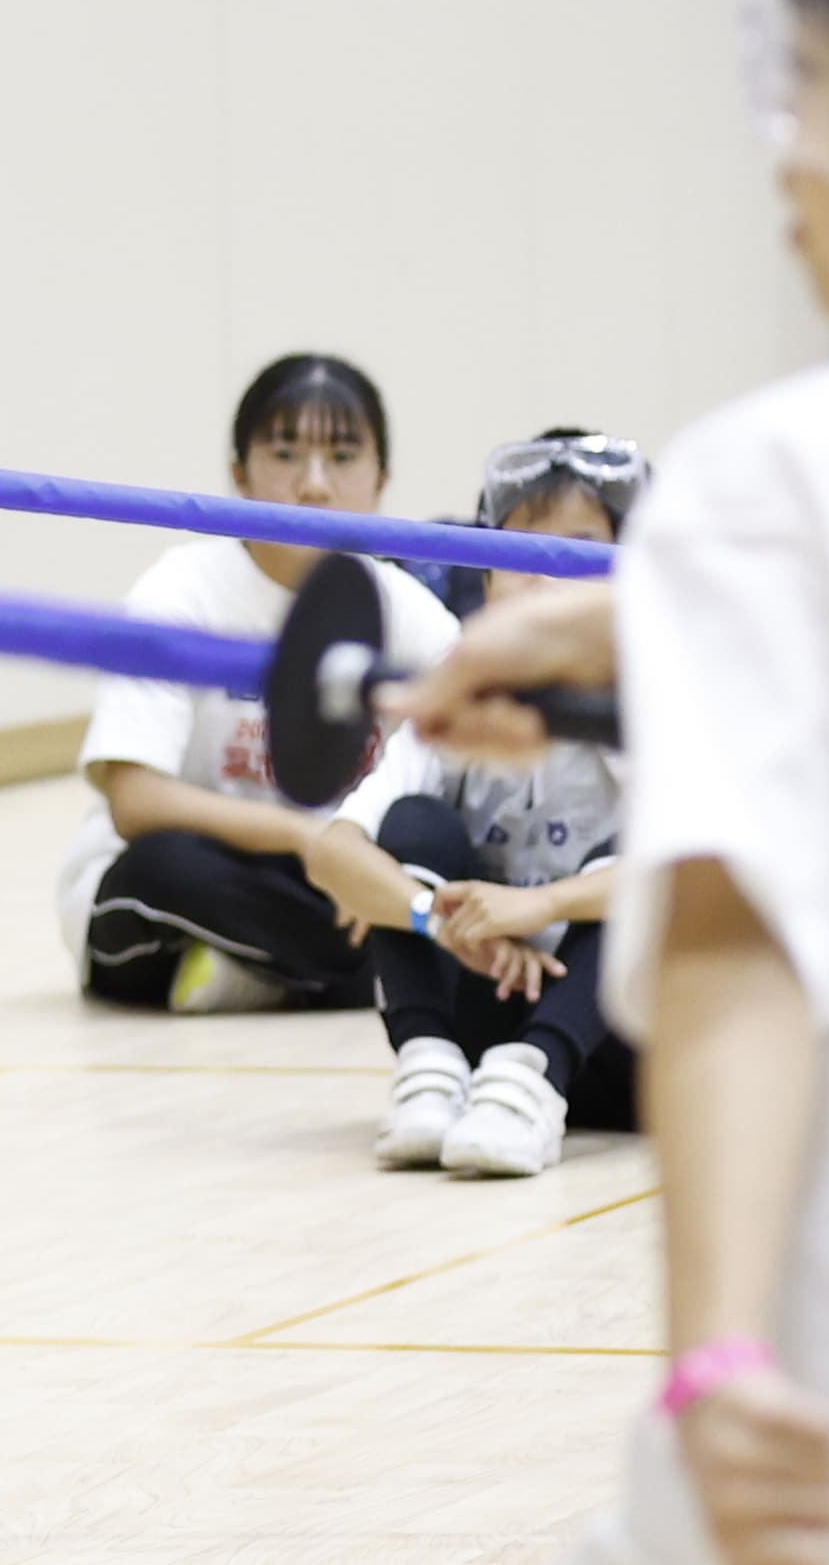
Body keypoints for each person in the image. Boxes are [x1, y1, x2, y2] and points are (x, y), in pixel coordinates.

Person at [418, 0, 829, 1565]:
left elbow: (730, 945)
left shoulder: (772, 481)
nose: (781, 144)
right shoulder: (761, 524)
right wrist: (649, 643)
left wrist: (709, 1359)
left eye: (819, 78)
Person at [54, 353, 462, 1012]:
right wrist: (309, 838)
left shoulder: (406, 612)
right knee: (162, 867)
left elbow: (463, 779)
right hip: (194, 882)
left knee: (435, 844)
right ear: (240, 474)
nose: (315, 485)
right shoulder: (180, 591)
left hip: (338, 879)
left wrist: (364, 861)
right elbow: (136, 801)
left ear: (381, 479)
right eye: (285, 454)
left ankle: (256, 972)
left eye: (343, 456)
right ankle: (385, 971)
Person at [303, 433, 647, 1177]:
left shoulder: (651, 705)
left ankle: (538, 1073)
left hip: (616, 1040)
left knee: (639, 855)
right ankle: (427, 1070)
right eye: (525, 555)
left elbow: (688, 872)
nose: (547, 580)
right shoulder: (455, 689)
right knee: (410, 828)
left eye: (579, 552)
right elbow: (331, 852)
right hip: (484, 1023)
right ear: (487, 576)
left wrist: (541, 904)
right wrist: (440, 917)